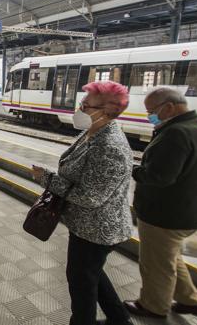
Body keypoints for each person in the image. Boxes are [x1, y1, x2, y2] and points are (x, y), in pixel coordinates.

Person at [31, 81, 133, 325]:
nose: (80, 108)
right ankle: (120, 320)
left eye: (86, 105)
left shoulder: (110, 146)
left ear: (108, 110)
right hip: (85, 225)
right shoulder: (93, 132)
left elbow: (90, 196)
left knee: (80, 280)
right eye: (82, 103)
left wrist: (46, 178)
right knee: (90, 274)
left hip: (97, 229)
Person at [124, 87, 197, 319]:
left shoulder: (175, 133)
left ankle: (153, 306)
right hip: (190, 212)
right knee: (170, 258)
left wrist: (134, 170)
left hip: (165, 215)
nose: (150, 117)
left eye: (152, 111)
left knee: (156, 264)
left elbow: (159, 176)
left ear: (168, 107)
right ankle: (191, 301)